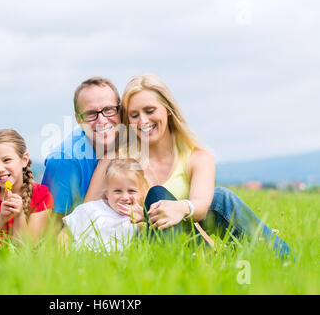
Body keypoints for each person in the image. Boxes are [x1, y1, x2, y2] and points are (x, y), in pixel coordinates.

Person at [86, 73, 291, 258]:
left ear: (167, 110)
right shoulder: (115, 160)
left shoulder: (197, 157)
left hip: (187, 241)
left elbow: (201, 207)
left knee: (220, 197)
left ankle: (280, 258)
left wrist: (181, 208)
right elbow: (86, 216)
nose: (143, 120)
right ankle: (216, 259)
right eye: (134, 115)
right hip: (140, 246)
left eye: (150, 111)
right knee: (157, 195)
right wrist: (141, 220)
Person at [42, 77, 121, 228]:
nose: (102, 121)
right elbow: (51, 232)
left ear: (119, 110)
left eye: (109, 110)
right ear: (78, 119)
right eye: (91, 113)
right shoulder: (64, 161)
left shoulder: (133, 141)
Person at [0, 129, 54, 251]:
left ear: (24, 160)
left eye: (7, 160)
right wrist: (1, 218)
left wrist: (19, 215)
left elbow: (27, 250)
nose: (0, 169)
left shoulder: (42, 195)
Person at [60, 159, 149, 252]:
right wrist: (65, 256)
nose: (125, 197)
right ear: (107, 192)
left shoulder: (140, 219)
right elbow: (65, 234)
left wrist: (144, 218)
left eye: (131, 191)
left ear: (142, 192)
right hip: (83, 260)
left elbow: (152, 239)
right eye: (117, 191)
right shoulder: (90, 210)